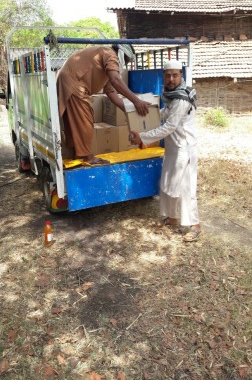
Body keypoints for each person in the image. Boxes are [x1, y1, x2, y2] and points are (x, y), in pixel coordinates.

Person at [130, 59, 201, 242]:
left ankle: (194, 225)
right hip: (173, 148)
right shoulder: (169, 95)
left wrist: (143, 136)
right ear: (163, 76)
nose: (171, 79)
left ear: (181, 76)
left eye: (175, 75)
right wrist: (146, 113)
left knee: (186, 187)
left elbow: (169, 126)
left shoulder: (181, 99)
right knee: (168, 183)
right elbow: (163, 115)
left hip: (184, 148)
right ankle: (172, 219)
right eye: (168, 75)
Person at [56, 44, 150, 165]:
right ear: (122, 54)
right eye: (126, 60)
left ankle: (77, 154)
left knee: (75, 122)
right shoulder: (110, 54)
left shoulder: (108, 66)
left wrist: (128, 111)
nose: (125, 63)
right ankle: (87, 157)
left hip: (71, 81)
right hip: (75, 83)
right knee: (85, 121)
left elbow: (111, 92)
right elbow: (116, 81)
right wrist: (136, 101)